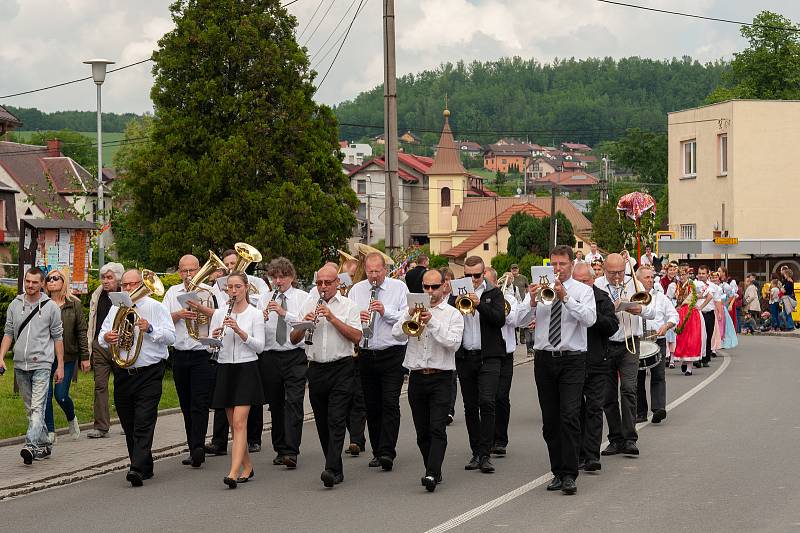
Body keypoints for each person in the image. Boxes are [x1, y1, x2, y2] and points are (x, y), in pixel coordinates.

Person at [529, 246, 596, 494]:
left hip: (573, 359)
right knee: (550, 421)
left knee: (569, 416)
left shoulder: (583, 291)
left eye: (562, 264)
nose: (557, 269)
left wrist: (565, 297)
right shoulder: (541, 287)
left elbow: (590, 319)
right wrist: (532, 301)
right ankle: (557, 471)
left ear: (571, 264)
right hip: (545, 358)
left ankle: (569, 473)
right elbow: (518, 320)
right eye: (554, 264)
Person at [99, 269, 176, 486]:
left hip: (149, 373)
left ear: (142, 285)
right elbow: (102, 337)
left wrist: (150, 329)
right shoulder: (116, 309)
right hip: (124, 372)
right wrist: (107, 336)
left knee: (144, 420)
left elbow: (171, 337)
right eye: (125, 285)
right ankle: (145, 465)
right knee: (128, 422)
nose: (129, 289)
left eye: (133, 284)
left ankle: (136, 467)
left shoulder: (156, 307)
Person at [291, 264, 362, 488]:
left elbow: (357, 336)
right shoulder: (308, 304)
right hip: (316, 368)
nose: (323, 287)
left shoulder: (348, 306)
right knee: (322, 421)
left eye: (327, 282)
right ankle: (335, 467)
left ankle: (330, 469)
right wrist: (305, 325)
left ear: (337, 283)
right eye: (319, 282)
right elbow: (293, 339)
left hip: (341, 367)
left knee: (337, 418)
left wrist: (331, 318)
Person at [392, 269, 463, 492]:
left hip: (441, 377)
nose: (430, 292)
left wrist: (431, 322)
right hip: (417, 377)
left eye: (434, 287)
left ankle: (431, 473)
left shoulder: (453, 314)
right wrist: (408, 316)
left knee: (437, 428)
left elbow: (453, 344)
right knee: (422, 431)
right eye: (426, 287)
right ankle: (433, 468)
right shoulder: (411, 309)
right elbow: (396, 334)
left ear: (444, 286)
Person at [348, 252, 409, 471]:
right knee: (372, 405)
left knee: (390, 402)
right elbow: (350, 318)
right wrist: (359, 317)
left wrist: (385, 311)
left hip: (392, 351)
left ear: (385, 270)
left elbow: (406, 317)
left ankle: (387, 452)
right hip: (366, 353)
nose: (374, 276)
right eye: (370, 271)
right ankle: (376, 450)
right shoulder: (357, 290)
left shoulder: (398, 288)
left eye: (377, 271)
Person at [207, 271, 266, 488]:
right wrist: (214, 338)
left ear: (246, 288)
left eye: (237, 287)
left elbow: (260, 347)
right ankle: (248, 466)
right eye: (230, 287)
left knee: (240, 422)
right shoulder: (219, 313)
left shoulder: (255, 314)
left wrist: (240, 331)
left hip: (246, 368)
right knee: (234, 425)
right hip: (225, 368)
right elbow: (211, 346)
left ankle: (233, 472)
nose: (233, 291)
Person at [0, 267, 65, 464]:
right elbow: (9, 332)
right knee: (31, 409)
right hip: (20, 364)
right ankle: (45, 444)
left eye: (34, 282)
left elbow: (57, 337)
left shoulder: (50, 307)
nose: (30, 285)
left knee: (38, 408)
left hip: (42, 364)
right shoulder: (15, 304)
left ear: (42, 284)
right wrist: (1, 356)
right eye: (27, 281)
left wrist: (60, 365)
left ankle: (30, 444)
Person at [595, 253, 655, 457]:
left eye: (620, 272)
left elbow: (652, 311)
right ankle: (615, 438)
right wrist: (609, 310)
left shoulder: (634, 283)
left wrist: (640, 310)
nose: (617, 277)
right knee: (608, 395)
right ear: (604, 269)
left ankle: (630, 439)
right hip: (605, 344)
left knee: (629, 389)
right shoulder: (598, 286)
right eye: (612, 273)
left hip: (630, 342)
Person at [162, 255, 218, 468]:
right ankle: (192, 444)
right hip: (180, 354)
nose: (188, 275)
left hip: (202, 354)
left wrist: (202, 311)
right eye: (184, 271)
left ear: (199, 270)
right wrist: (179, 314)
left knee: (200, 403)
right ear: (178, 272)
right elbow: (163, 319)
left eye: (192, 270)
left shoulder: (208, 292)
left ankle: (197, 447)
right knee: (185, 404)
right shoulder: (172, 292)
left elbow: (218, 317)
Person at [453, 256, 506, 474]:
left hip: (489, 357)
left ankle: (485, 453)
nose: (472, 280)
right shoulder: (455, 295)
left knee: (487, 402)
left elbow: (499, 319)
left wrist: (478, 304)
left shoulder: (494, 293)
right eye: (467, 275)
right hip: (466, 357)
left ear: (483, 274)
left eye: (476, 275)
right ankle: (476, 451)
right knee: (470, 406)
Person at [257, 257, 309, 469]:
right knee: (275, 404)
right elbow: (257, 327)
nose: (278, 281)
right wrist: (260, 317)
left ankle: (291, 451)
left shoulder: (303, 297)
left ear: (292, 277)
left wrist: (283, 313)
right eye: (275, 277)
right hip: (270, 355)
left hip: (294, 354)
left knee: (294, 402)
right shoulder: (264, 298)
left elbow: (304, 323)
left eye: (282, 277)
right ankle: (280, 447)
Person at [572, 262, 617, 472]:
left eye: (585, 281)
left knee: (594, 408)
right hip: (574, 362)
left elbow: (612, 326)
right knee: (575, 410)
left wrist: (591, 317)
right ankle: (578, 453)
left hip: (598, 361)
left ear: (592, 280)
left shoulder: (601, 298)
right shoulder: (568, 297)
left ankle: (591, 455)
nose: (581, 285)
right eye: (578, 281)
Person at [484, 267, 529, 457]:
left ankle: (500, 439)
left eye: (487, 281)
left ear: (495, 282)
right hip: (485, 354)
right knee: (485, 399)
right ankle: (485, 439)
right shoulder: (475, 300)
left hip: (504, 354)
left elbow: (513, 320)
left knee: (501, 396)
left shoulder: (508, 299)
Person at [44, 269, 90, 444]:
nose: (52, 281)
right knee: (46, 396)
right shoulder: (42, 303)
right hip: (45, 356)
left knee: (61, 395)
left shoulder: (74, 304)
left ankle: (71, 418)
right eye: (49, 278)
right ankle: (50, 432)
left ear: (64, 282)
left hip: (68, 356)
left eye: (56, 278)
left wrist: (85, 357)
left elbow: (81, 331)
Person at [86, 261, 125, 439]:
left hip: (120, 345)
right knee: (100, 386)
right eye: (103, 277)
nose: (105, 281)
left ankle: (127, 421)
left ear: (118, 279)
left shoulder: (126, 295)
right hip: (100, 345)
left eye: (109, 277)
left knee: (122, 385)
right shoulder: (98, 294)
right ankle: (101, 427)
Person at [635, 266, 678, 424]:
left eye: (652, 277)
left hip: (656, 339)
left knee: (658, 375)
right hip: (638, 340)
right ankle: (640, 412)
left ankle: (658, 409)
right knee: (637, 378)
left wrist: (666, 326)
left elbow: (674, 315)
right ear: (637, 279)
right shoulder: (631, 296)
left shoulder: (660, 297)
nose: (651, 280)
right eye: (647, 277)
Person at [669, 267, 704, 375]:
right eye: (680, 274)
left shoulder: (693, 284)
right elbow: (671, 298)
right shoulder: (676, 286)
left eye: (684, 274)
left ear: (688, 275)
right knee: (682, 338)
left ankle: (689, 367)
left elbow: (703, 294)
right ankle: (684, 360)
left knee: (692, 339)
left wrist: (697, 301)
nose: (682, 276)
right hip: (681, 313)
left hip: (691, 312)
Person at [440, 268, 459, 425]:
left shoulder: (456, 298)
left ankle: (449, 410)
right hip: (438, 342)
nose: (446, 283)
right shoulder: (433, 299)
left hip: (453, 341)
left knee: (452, 378)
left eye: (448, 280)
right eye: (443, 280)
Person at [694, 265, 722, 367]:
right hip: (696, 313)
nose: (701, 275)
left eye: (703, 273)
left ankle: (705, 358)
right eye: (700, 273)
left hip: (708, 313)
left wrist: (719, 313)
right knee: (697, 336)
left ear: (707, 274)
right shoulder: (693, 284)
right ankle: (697, 358)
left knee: (708, 335)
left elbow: (717, 300)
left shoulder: (713, 286)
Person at [780, 266, 796, 331]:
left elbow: (784, 291)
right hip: (786, 298)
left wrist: (780, 287)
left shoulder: (789, 282)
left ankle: (790, 326)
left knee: (787, 313)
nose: (784, 275)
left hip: (787, 298)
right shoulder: (787, 281)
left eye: (785, 274)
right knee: (786, 313)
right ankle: (789, 326)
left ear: (787, 274)